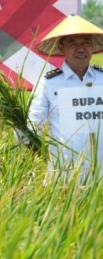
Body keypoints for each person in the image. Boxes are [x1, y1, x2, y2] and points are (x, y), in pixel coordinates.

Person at [28, 14, 103, 179]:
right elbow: (32, 127)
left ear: (92, 46)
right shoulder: (48, 83)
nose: (81, 48)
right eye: (73, 43)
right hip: (64, 174)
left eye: (85, 42)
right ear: (62, 49)